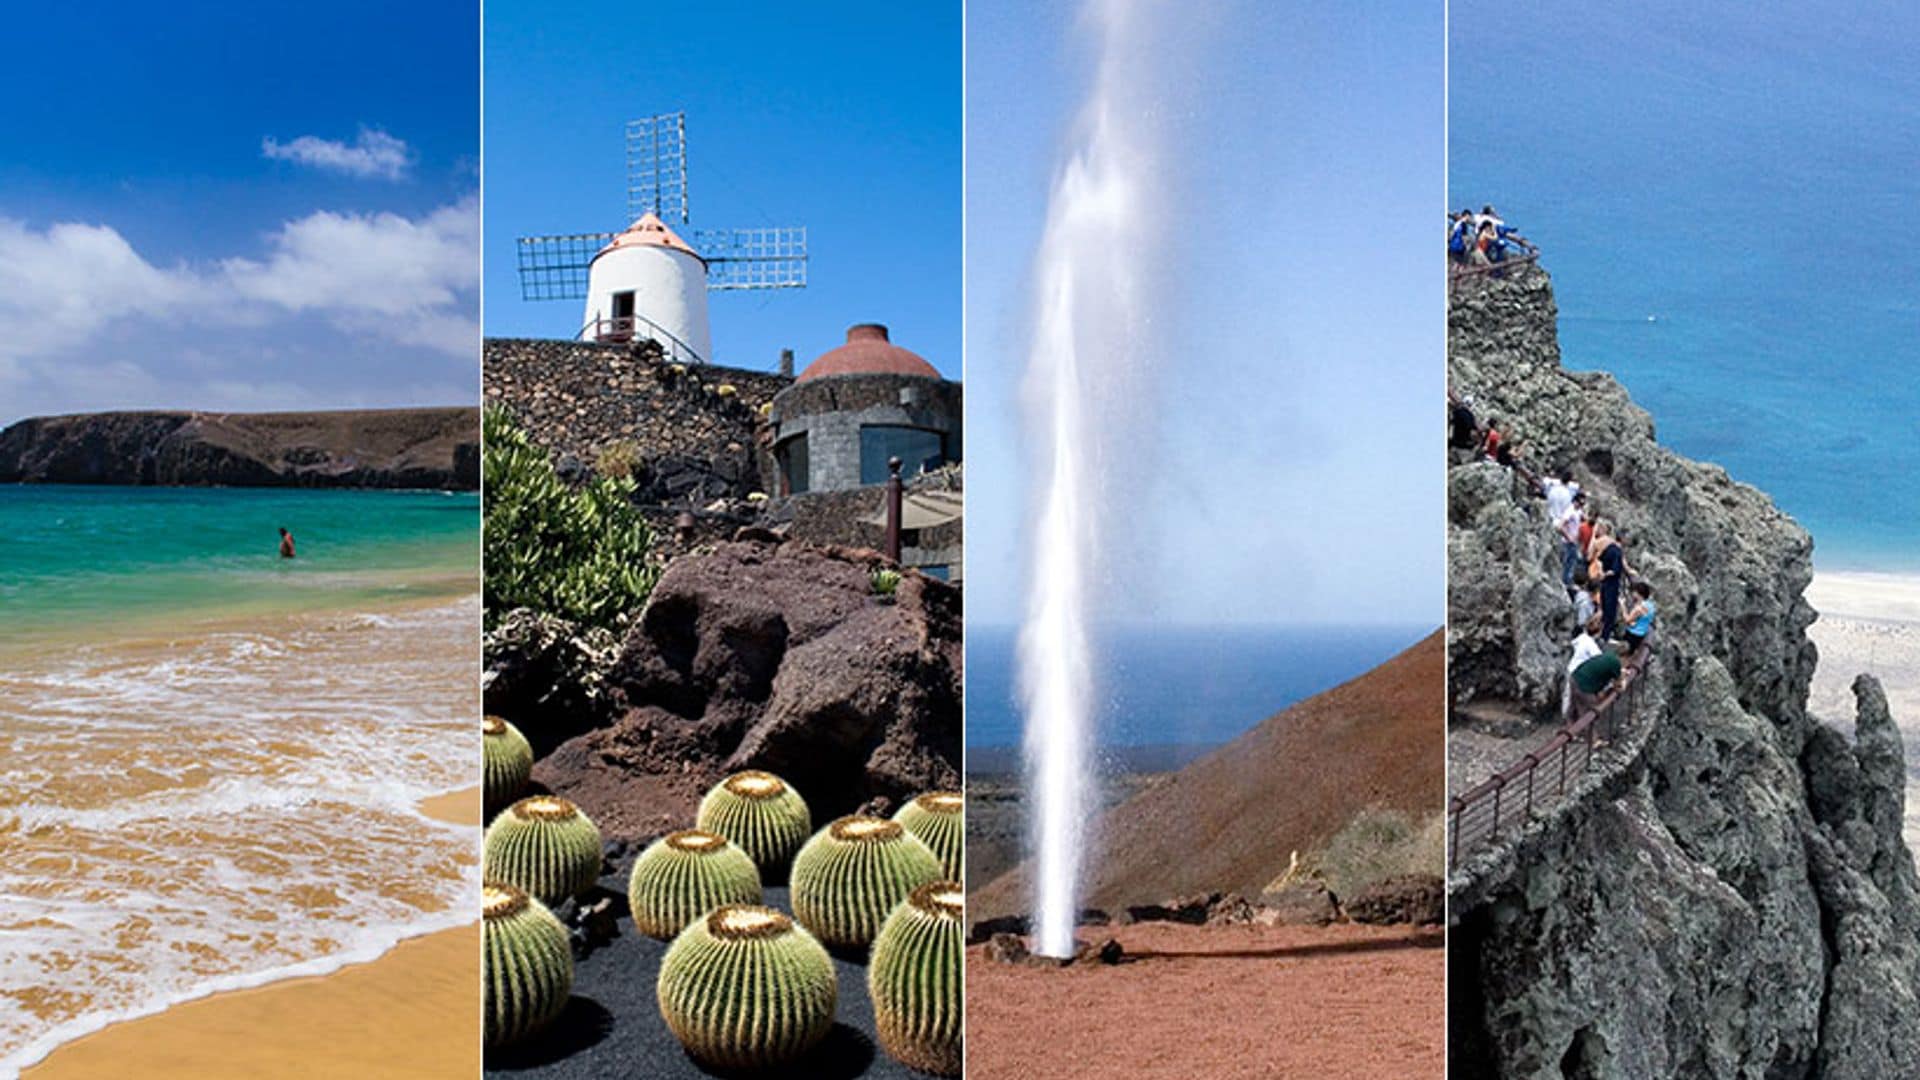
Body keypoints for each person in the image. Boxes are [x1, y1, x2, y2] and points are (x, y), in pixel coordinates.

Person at [1569, 626, 1624, 718]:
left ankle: (1571, 725)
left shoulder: (1608, 655)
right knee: (1592, 708)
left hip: (1575, 676)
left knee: (1577, 705)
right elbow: (1619, 684)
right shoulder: (1616, 663)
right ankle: (1587, 729)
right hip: (1582, 683)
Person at [1590, 524, 1629, 639]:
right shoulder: (1617, 551)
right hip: (1611, 583)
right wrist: (1606, 574)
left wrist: (1601, 573)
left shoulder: (1605, 550)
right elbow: (1615, 570)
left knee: (1603, 608)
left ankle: (1599, 632)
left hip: (1604, 583)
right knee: (1609, 612)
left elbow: (1596, 559)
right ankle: (1605, 636)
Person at [1564, 615, 1605, 718]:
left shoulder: (1582, 637)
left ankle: (1568, 718)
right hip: (1580, 673)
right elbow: (1600, 660)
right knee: (1584, 700)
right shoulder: (1591, 645)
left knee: (1569, 697)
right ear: (1599, 631)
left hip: (1571, 669)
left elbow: (1572, 644)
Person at [1622, 581, 1658, 651]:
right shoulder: (1651, 606)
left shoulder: (1639, 608)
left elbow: (1627, 620)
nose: (1632, 593)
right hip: (1641, 634)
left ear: (1638, 594)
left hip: (1633, 634)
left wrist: (1622, 606)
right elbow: (1646, 619)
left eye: (1634, 592)